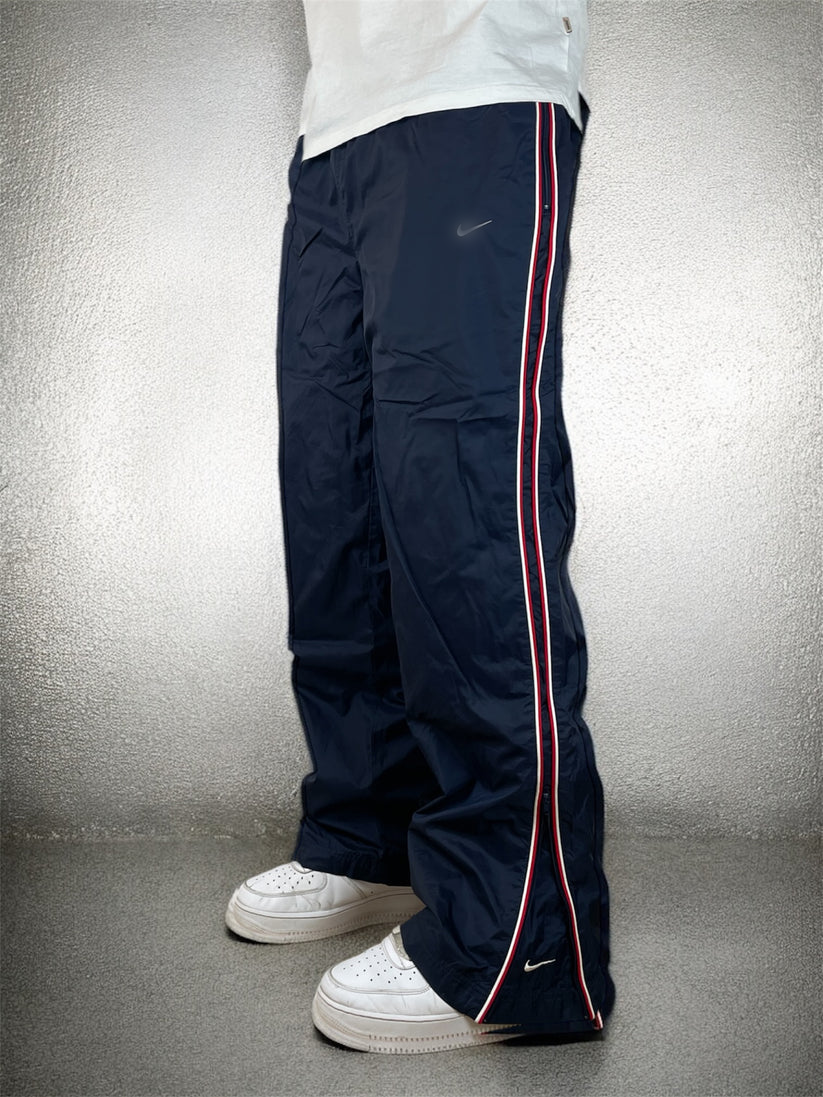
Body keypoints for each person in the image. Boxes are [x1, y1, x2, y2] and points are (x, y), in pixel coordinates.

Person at [225, 0, 615, 1053]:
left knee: (465, 507)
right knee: (337, 496)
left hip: (476, 81)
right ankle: (373, 835)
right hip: (337, 119)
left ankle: (520, 943)